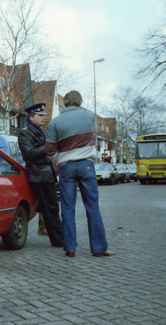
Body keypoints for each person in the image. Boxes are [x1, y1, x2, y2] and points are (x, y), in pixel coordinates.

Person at [45, 91, 116, 258]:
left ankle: (70, 247)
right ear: (80, 101)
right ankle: (99, 248)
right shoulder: (89, 116)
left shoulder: (54, 123)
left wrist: (58, 161)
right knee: (92, 207)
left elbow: (49, 149)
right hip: (86, 165)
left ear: (66, 102)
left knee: (68, 208)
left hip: (66, 167)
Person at [18, 103, 64, 248]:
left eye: (44, 115)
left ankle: (59, 237)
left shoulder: (38, 131)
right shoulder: (26, 133)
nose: (44, 117)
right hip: (39, 175)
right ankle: (58, 239)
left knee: (52, 207)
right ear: (31, 117)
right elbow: (29, 153)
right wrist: (48, 147)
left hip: (44, 174)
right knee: (49, 207)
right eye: (40, 115)